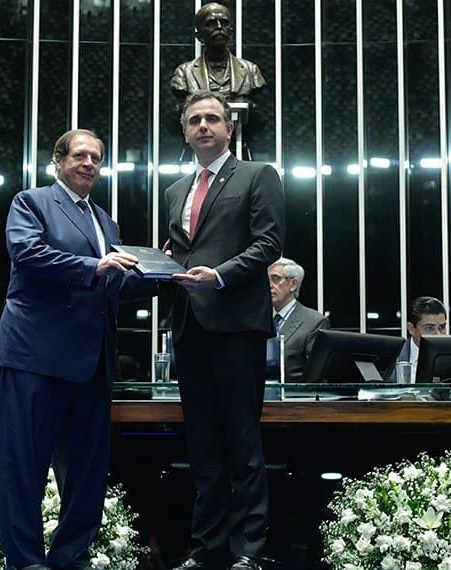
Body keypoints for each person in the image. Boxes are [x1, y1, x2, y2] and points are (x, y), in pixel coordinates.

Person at [0, 129, 156, 570]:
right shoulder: (32, 202)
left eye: (96, 158)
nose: (89, 163)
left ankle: (70, 557)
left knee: (86, 474)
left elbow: (112, 284)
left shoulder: (106, 222)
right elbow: (28, 254)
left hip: (92, 362)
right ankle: (26, 561)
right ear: (58, 161)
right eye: (79, 155)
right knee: (25, 467)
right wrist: (95, 265)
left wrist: (159, 274)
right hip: (34, 356)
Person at [165, 90, 285, 570]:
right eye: (194, 119)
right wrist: (163, 261)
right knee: (202, 446)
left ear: (229, 129)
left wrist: (218, 275)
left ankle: (248, 550)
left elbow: (269, 243)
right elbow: (183, 250)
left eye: (212, 118)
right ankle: (207, 548)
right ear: (184, 131)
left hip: (236, 326)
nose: (203, 126)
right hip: (188, 325)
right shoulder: (175, 190)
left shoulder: (257, 175)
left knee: (242, 442)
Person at [170, 3, 265, 103]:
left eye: (224, 23)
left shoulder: (251, 70)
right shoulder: (184, 73)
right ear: (199, 36)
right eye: (211, 23)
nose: (219, 27)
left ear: (230, 33)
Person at [268, 257, 329, 380]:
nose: (269, 285)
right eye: (267, 280)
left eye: (276, 279)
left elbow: (316, 376)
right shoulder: (259, 319)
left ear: (293, 284)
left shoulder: (314, 322)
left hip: (294, 391)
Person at [389, 296, 448, 383]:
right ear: (411, 328)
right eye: (429, 328)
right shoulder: (393, 356)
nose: (438, 335)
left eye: (442, 327)